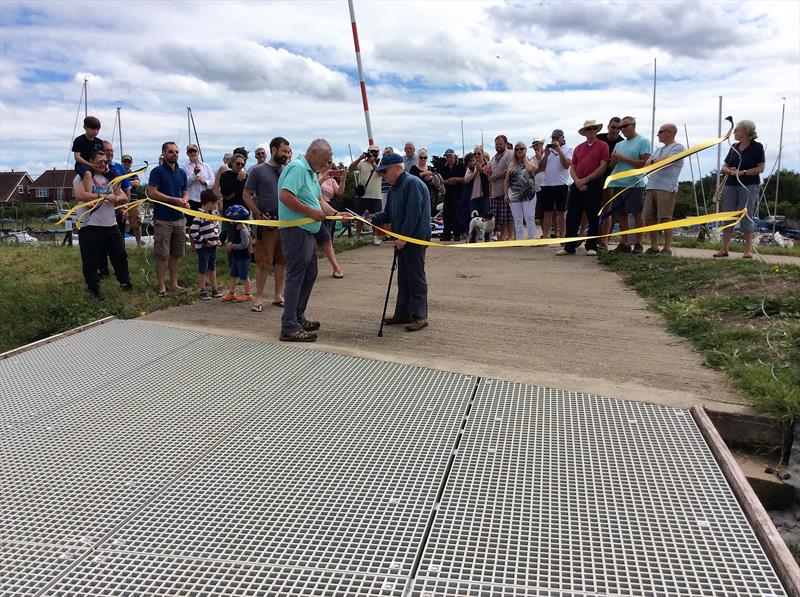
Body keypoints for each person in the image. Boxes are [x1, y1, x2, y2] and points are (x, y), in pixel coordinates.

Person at [277, 139, 350, 342]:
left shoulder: (310, 172)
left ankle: (297, 317)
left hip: (306, 230)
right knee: (297, 274)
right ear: (314, 154)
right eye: (325, 160)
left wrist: (336, 213)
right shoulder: (299, 169)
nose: (327, 165)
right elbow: (285, 196)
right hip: (296, 229)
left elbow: (319, 201)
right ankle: (289, 324)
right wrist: (311, 212)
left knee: (310, 272)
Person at [368, 153, 431, 332]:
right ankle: (403, 313)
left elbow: (414, 214)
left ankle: (420, 316)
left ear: (397, 167)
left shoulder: (412, 183)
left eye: (384, 171)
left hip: (414, 238)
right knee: (403, 277)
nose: (383, 175)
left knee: (415, 276)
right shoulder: (395, 187)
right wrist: (368, 218)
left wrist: (403, 237)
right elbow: (387, 214)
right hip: (403, 239)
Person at [71, 150, 132, 298]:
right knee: (90, 259)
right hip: (89, 224)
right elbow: (80, 194)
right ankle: (93, 289)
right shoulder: (82, 176)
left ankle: (125, 282)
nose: (104, 164)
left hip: (110, 224)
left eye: (105, 161)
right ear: (90, 161)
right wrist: (103, 196)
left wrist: (119, 199)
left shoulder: (110, 178)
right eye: (100, 161)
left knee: (119, 255)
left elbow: (123, 195)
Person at [243, 136, 290, 312]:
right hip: (266, 222)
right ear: (274, 150)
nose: (286, 155)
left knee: (282, 261)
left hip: (285, 222)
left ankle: (278, 295)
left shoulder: (287, 171)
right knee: (263, 261)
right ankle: (259, 297)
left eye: (288, 152)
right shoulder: (258, 171)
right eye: (283, 151)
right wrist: (258, 214)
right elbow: (246, 195)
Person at [556, 120, 609, 256]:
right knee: (572, 215)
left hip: (594, 183)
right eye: (588, 129)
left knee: (593, 215)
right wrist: (578, 181)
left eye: (593, 129)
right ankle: (569, 246)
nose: (591, 131)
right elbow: (572, 167)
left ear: (596, 130)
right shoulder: (579, 148)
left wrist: (586, 179)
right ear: (584, 132)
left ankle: (592, 245)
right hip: (577, 183)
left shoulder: (603, 146)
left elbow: (603, 166)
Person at [716, 119, 765, 259]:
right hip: (731, 184)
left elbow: (760, 168)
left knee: (746, 215)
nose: (734, 133)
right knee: (729, 215)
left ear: (745, 132)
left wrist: (742, 172)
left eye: (736, 130)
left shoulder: (757, 147)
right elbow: (724, 166)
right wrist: (730, 171)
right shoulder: (734, 147)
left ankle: (747, 250)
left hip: (749, 185)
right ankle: (724, 249)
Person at [147, 141, 189, 297]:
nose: (175, 154)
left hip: (179, 218)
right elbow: (152, 192)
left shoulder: (182, 173)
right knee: (162, 254)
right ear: (164, 153)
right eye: (171, 151)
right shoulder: (157, 171)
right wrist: (173, 200)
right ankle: (161, 285)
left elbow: (185, 191)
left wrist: (184, 201)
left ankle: (173, 283)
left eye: (177, 151)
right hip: (163, 219)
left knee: (176, 254)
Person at [608, 116, 651, 254]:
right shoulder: (619, 144)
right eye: (620, 127)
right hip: (617, 182)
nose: (622, 130)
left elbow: (644, 163)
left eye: (625, 126)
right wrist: (614, 160)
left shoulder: (643, 141)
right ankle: (625, 243)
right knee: (621, 214)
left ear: (634, 125)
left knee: (637, 214)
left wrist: (623, 158)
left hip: (634, 183)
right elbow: (612, 165)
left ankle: (638, 243)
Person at [643, 123, 684, 256]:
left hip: (666, 187)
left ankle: (667, 248)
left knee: (665, 217)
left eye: (661, 132)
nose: (658, 134)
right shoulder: (658, 150)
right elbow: (647, 164)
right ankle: (654, 247)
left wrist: (654, 162)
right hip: (652, 185)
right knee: (650, 218)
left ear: (670, 132)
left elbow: (667, 161)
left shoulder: (678, 147)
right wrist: (655, 162)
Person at [536, 129, 573, 239]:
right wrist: (546, 154)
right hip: (547, 184)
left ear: (562, 138)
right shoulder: (548, 150)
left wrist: (559, 151)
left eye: (557, 138)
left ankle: (562, 236)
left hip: (561, 184)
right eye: (553, 138)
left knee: (561, 212)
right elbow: (541, 167)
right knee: (547, 212)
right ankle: (546, 236)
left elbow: (566, 165)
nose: (554, 140)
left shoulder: (568, 149)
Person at [189, 189, 224, 300]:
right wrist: (204, 241)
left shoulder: (211, 216)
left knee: (212, 267)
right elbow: (193, 231)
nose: (215, 207)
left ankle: (214, 288)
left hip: (212, 247)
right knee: (203, 269)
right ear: (209, 203)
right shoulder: (199, 216)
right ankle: (203, 290)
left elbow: (215, 230)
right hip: (203, 248)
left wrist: (217, 239)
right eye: (214, 204)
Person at [596, 117, 624, 250]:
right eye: (613, 127)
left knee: (608, 210)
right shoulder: (599, 138)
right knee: (589, 208)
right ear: (608, 127)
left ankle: (605, 240)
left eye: (619, 128)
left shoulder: (622, 143)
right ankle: (584, 235)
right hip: (595, 178)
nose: (616, 130)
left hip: (612, 180)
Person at [504, 142, 539, 241]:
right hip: (514, 194)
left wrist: (524, 159)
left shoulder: (531, 160)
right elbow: (506, 180)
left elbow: (530, 170)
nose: (519, 150)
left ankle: (533, 238)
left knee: (529, 216)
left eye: (522, 148)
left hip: (529, 193)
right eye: (517, 149)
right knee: (517, 218)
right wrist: (506, 194)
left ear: (525, 150)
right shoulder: (511, 164)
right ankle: (519, 238)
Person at [348, 144, 382, 245]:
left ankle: (375, 237)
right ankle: (357, 236)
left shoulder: (381, 164)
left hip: (376, 195)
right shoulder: (362, 163)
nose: (373, 154)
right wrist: (359, 158)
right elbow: (351, 168)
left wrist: (373, 164)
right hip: (362, 195)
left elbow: (380, 174)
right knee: (359, 217)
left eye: (375, 152)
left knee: (376, 218)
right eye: (371, 152)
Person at [318, 159, 345, 278]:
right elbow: (313, 188)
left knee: (327, 240)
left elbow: (339, 192)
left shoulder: (331, 180)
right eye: (328, 162)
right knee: (326, 240)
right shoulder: (315, 176)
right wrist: (324, 177)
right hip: (316, 209)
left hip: (329, 209)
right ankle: (336, 267)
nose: (330, 165)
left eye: (331, 163)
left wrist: (343, 180)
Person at [180, 143, 214, 228]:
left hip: (205, 201)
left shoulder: (206, 166)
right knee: (192, 226)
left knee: (207, 226)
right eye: (190, 151)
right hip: (192, 200)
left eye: (194, 151)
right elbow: (184, 184)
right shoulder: (183, 168)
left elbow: (212, 181)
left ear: (198, 152)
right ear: (187, 153)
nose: (192, 153)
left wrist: (204, 182)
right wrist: (194, 175)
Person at [488, 135, 514, 240]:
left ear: (506, 144)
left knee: (509, 215)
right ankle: (502, 235)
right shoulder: (493, 158)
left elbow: (509, 169)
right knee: (500, 216)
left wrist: (496, 176)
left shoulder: (510, 154)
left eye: (500, 144)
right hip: (495, 191)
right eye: (496, 144)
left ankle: (510, 236)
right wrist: (488, 174)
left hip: (506, 190)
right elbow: (490, 171)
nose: (498, 146)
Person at [438, 149, 466, 241]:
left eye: (450, 157)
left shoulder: (461, 166)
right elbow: (440, 180)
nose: (449, 159)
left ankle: (457, 234)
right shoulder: (443, 168)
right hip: (447, 194)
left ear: (454, 157)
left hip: (458, 194)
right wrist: (448, 181)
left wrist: (456, 179)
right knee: (446, 215)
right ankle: (446, 234)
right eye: (447, 157)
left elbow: (465, 179)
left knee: (456, 215)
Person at [71, 116, 104, 188]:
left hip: (97, 164)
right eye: (93, 128)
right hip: (82, 165)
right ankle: (89, 195)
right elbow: (77, 157)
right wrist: (90, 165)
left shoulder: (99, 142)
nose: (96, 131)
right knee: (88, 173)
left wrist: (104, 166)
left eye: (98, 129)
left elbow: (103, 157)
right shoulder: (79, 140)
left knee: (113, 173)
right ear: (85, 127)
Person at [121, 154, 143, 248]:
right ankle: (121, 245)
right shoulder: (118, 173)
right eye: (125, 161)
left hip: (133, 203)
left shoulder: (133, 174)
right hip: (120, 203)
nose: (126, 163)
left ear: (131, 163)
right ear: (122, 162)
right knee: (120, 225)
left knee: (136, 225)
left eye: (128, 161)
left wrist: (123, 183)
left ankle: (138, 245)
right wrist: (129, 184)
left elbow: (137, 183)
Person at [464, 145, 491, 216]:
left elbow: (491, 177)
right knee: (474, 219)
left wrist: (482, 170)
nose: (477, 155)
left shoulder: (488, 164)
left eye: (479, 153)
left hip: (485, 195)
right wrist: (475, 172)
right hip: (473, 196)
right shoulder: (471, 166)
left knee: (486, 218)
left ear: (482, 154)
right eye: (475, 154)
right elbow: (466, 180)